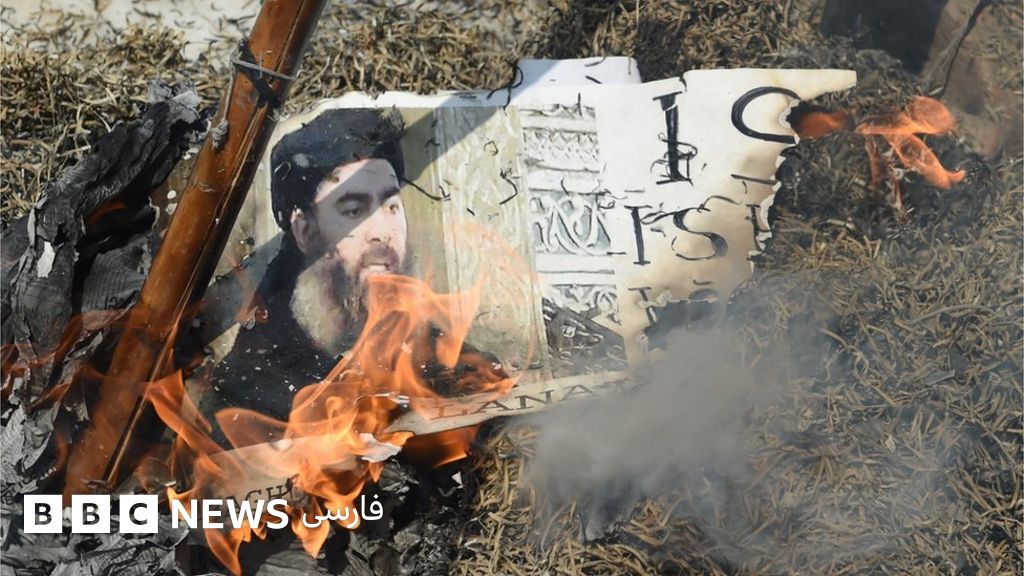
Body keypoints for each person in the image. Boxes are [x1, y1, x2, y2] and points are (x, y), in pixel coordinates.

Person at [202, 108, 410, 428]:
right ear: (304, 230)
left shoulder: (426, 338)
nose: (383, 232)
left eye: (391, 206)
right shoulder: (249, 390)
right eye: (354, 210)